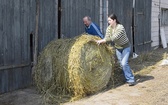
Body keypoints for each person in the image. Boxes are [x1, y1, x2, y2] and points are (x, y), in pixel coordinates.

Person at [95, 14, 135, 86]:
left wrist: (102, 41)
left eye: (110, 20)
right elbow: (106, 37)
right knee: (121, 64)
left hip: (126, 47)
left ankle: (131, 79)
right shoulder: (109, 28)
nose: (108, 22)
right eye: (108, 20)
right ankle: (126, 78)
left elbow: (114, 38)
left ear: (114, 20)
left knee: (124, 63)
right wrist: (100, 41)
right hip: (118, 48)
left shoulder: (120, 27)